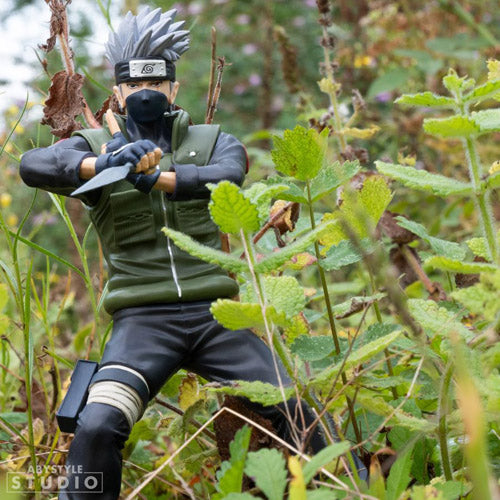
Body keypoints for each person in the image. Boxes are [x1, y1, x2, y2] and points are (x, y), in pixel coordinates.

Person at [20, 7, 366, 499]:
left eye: (156, 83)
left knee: (295, 409)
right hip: (142, 324)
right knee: (97, 424)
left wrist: (158, 178)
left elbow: (228, 174)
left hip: (215, 317)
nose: (145, 93)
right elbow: (35, 165)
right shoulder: (94, 144)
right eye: (134, 85)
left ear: (174, 88)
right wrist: (103, 164)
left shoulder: (211, 141)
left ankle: (359, 489)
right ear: (117, 91)